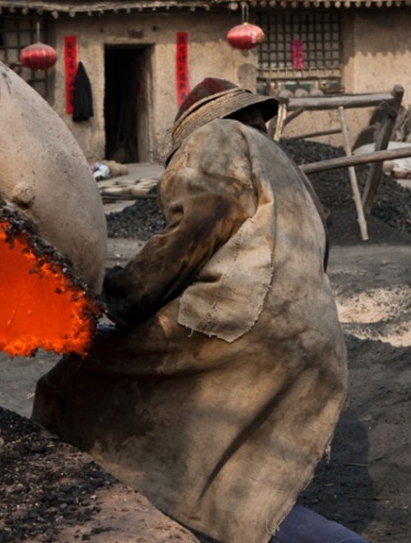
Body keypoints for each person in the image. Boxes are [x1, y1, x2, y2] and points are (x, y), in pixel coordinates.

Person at [32, 78, 363, 543]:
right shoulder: (285, 165)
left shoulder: (218, 137)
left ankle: (66, 506)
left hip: (241, 324)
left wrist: (118, 296)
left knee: (82, 381)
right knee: (241, 477)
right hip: (310, 334)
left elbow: (198, 229)